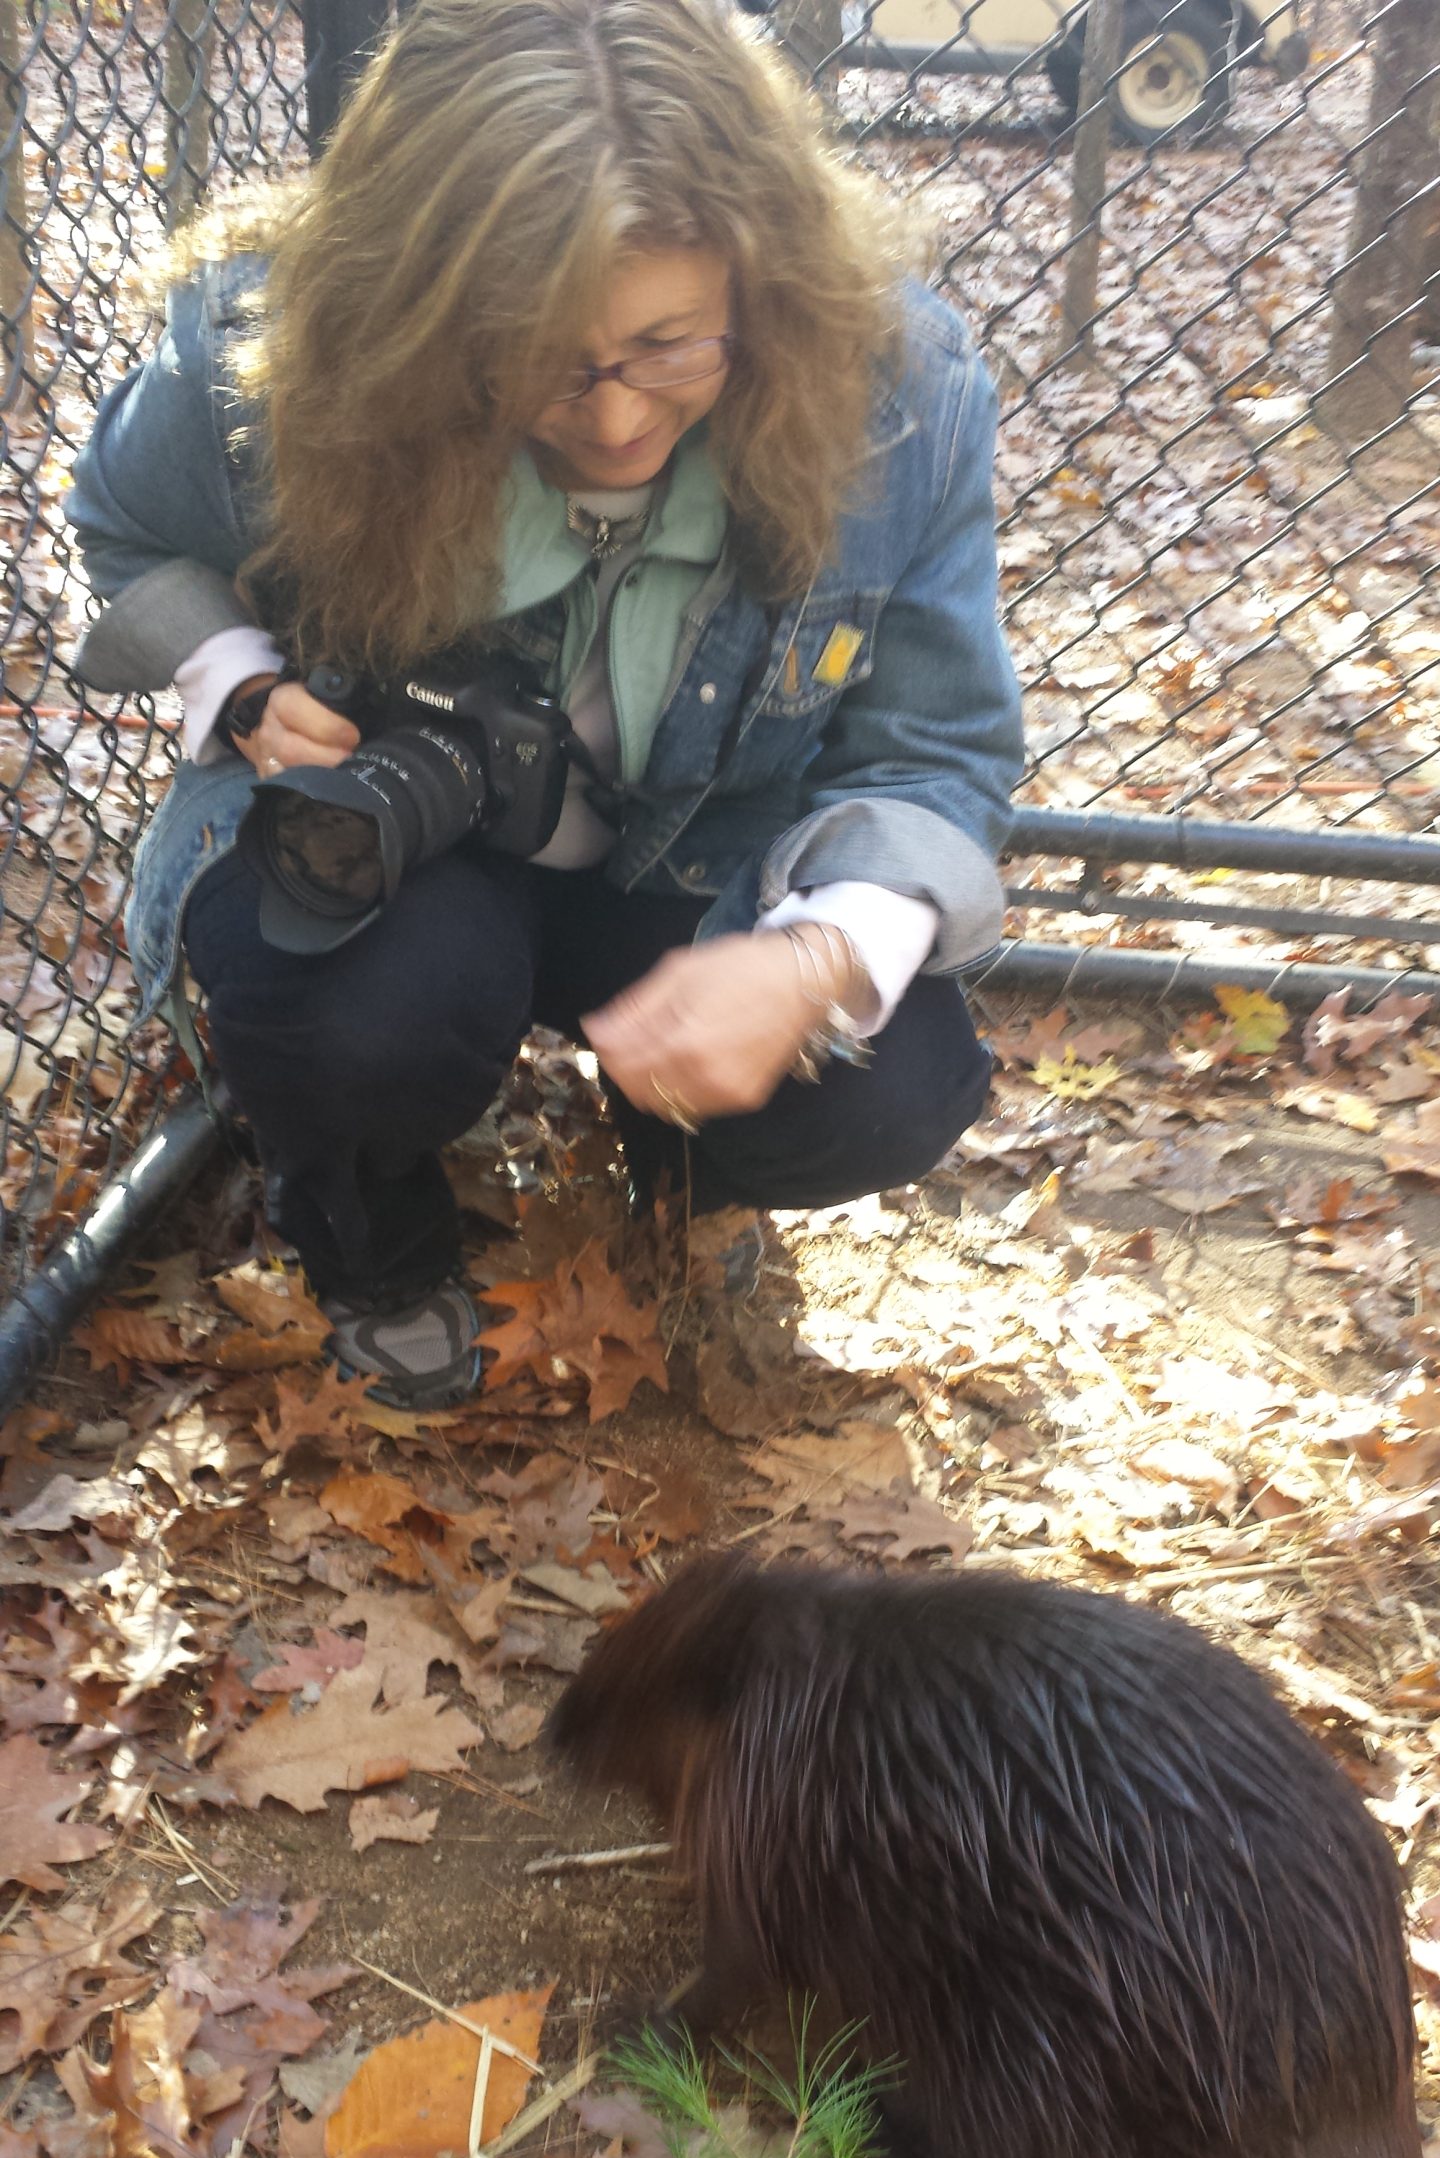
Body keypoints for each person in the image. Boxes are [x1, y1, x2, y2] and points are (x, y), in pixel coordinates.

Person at [66, 0, 1024, 1409]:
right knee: (349, 1019)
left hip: (706, 854)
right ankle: (379, 1246)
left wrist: (812, 961)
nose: (621, 420)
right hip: (401, 851)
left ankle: (683, 1176)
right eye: (538, 353)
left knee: (887, 1084)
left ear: (768, 281)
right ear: (419, 305)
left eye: (672, 344)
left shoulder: (897, 388)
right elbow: (123, 527)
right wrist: (244, 681)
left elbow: (939, 755)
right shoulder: (269, 354)